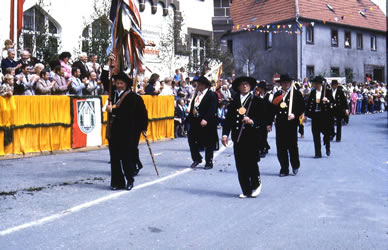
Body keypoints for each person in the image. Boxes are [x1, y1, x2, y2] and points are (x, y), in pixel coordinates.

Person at [222, 76, 265, 198]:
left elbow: (262, 119)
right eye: (242, 84)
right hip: (238, 137)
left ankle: (256, 184)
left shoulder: (256, 100)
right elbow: (229, 119)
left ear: (250, 86)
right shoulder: (235, 101)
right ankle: (246, 189)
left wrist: (251, 121)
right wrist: (225, 134)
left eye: (246, 84)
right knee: (240, 164)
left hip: (251, 137)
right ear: (238, 87)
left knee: (251, 162)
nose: (244, 86)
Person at [105, 72, 148, 190]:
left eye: (121, 83)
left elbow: (128, 113)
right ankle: (117, 182)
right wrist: (108, 67)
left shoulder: (132, 97)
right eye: (117, 83)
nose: (118, 85)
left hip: (127, 131)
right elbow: (105, 79)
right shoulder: (111, 95)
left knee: (126, 157)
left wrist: (112, 111)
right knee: (114, 158)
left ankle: (130, 180)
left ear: (126, 84)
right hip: (114, 130)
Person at [268, 74, 305, 177]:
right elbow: (272, 110)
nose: (286, 84)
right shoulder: (277, 95)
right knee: (281, 147)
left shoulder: (296, 94)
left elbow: (302, 107)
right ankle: (284, 168)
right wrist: (269, 123)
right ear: (281, 84)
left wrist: (295, 114)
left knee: (292, 146)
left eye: (287, 82)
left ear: (290, 83)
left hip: (291, 124)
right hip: (280, 124)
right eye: (284, 82)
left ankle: (295, 165)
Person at [186, 76, 218, 169]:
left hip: (207, 122)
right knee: (191, 140)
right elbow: (194, 107)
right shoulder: (196, 94)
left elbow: (212, 109)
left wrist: (206, 119)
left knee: (208, 143)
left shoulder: (211, 95)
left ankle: (209, 161)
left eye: (199, 84)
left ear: (204, 85)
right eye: (197, 84)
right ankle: (197, 158)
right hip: (195, 121)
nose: (197, 86)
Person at [305, 76, 334, 158]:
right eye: (315, 83)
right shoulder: (313, 92)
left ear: (321, 84)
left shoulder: (327, 92)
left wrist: (327, 100)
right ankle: (318, 153)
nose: (316, 85)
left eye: (317, 83)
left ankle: (327, 147)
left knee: (326, 134)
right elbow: (309, 104)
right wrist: (306, 115)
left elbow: (333, 102)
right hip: (315, 116)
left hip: (324, 116)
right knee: (315, 134)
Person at [256, 80, 271, 157]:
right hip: (258, 119)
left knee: (264, 135)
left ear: (262, 88)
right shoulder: (256, 97)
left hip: (266, 119)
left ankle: (263, 149)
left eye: (258, 87)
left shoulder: (269, 96)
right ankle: (263, 147)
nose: (257, 89)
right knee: (258, 134)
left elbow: (272, 109)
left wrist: (270, 122)